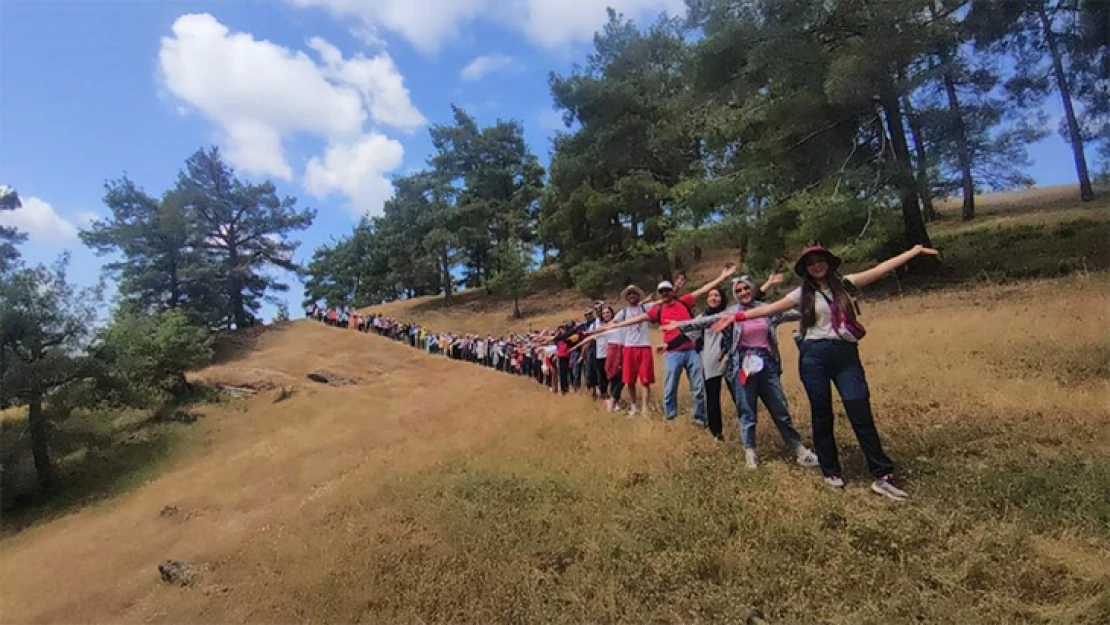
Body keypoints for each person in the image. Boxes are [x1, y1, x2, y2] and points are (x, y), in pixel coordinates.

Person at [709, 245, 939, 500]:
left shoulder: (845, 284)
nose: (816, 265)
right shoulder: (802, 293)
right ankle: (831, 470)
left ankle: (882, 475)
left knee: (859, 407)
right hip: (814, 356)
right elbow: (768, 309)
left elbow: (880, 269)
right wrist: (735, 318)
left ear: (828, 262)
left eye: (820, 260)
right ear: (805, 269)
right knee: (822, 412)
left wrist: (914, 251)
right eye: (810, 263)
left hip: (845, 355)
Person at [667, 275, 820, 468]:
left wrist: (819, 305)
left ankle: (800, 450)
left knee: (779, 408)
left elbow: (796, 312)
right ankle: (750, 452)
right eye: (738, 291)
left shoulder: (767, 310)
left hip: (767, 364)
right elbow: (706, 321)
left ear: (752, 289)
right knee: (747, 410)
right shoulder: (731, 313)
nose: (743, 293)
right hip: (742, 364)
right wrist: (680, 325)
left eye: (746, 288)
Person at [596, 263, 737, 423]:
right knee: (670, 389)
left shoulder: (684, 301)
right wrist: (616, 324)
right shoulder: (658, 309)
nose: (664, 294)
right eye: (661, 292)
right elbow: (636, 319)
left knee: (698, 388)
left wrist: (723, 276)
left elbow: (704, 290)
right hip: (672, 353)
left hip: (692, 351)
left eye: (667, 291)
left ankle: (699, 418)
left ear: (672, 292)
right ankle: (671, 418)